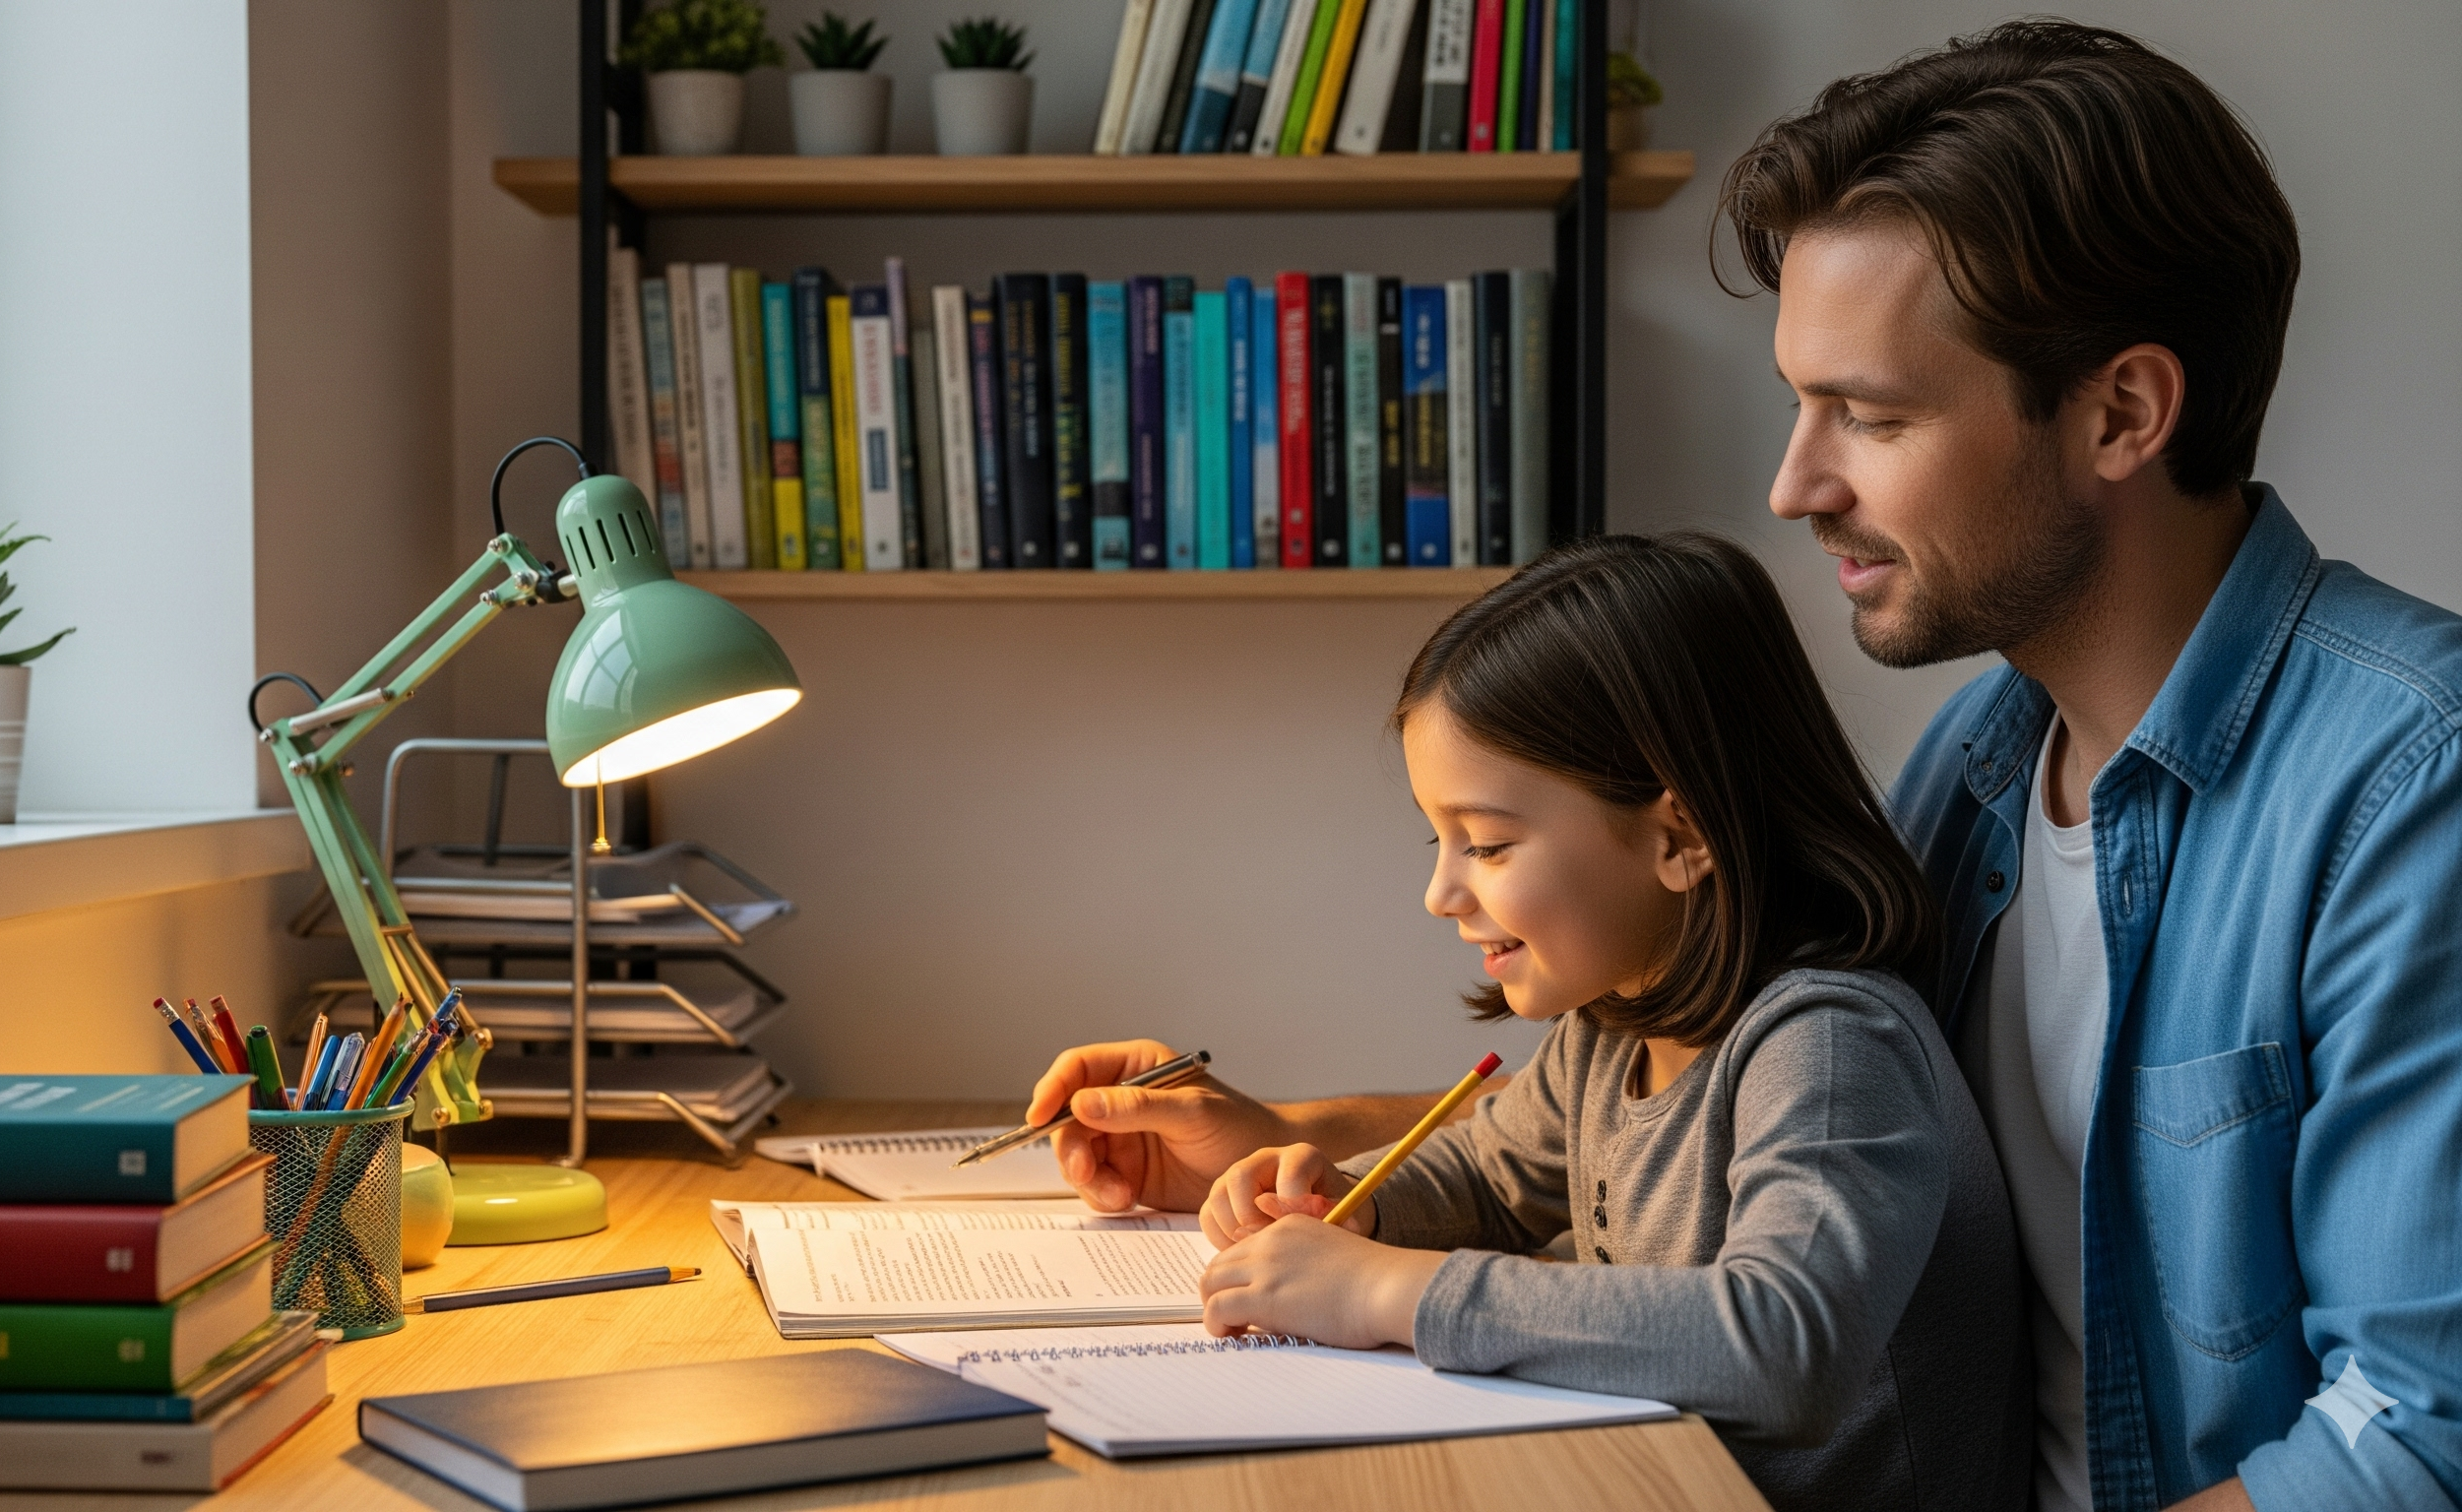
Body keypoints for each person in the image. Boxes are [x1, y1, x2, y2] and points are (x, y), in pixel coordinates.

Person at [1029, 22, 2462, 1512]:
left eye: (1875, 414)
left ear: (2122, 412)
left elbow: (2420, 1448)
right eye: (1801, 403)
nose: (1795, 484)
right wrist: (1291, 1144)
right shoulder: (1976, 773)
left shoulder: (2413, 789)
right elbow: (1698, 1122)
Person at [1230, 533, 2029, 1510]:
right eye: (1437, 838)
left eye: (1482, 843)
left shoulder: (1826, 1045)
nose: (1439, 891)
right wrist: (1345, 1206)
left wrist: (1387, 1291)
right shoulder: (1611, 1024)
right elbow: (1489, 1174)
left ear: (1675, 834)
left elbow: (1783, 1343)